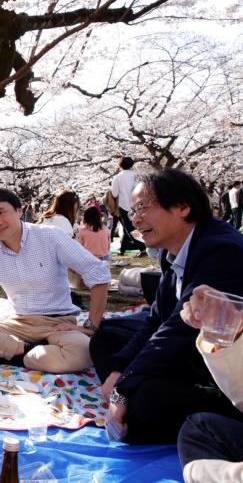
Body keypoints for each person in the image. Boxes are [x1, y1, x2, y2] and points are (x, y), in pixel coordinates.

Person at [92, 168, 243, 445]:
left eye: (143, 208)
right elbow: (156, 319)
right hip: (183, 354)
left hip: (221, 376)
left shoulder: (222, 250)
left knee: (147, 399)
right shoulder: (172, 252)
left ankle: (134, 409)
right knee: (105, 338)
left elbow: (177, 330)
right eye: (133, 210)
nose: (135, 219)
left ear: (183, 206)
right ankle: (128, 397)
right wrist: (121, 371)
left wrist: (125, 387)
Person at [0, 188, 111, 373]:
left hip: (57, 324)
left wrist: (91, 326)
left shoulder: (50, 236)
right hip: (18, 324)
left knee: (83, 352)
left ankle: (9, 352)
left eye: (1, 212)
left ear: (19, 210)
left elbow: (97, 272)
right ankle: (28, 351)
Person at [176, 284, 243, 482]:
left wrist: (200, 473)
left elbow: (169, 335)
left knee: (146, 399)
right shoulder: (173, 264)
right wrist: (233, 335)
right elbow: (156, 321)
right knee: (200, 426)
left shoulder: (217, 256)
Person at [111, 156, 147, 256]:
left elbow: (114, 194)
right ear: (132, 165)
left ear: (120, 165)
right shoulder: (137, 176)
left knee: (129, 229)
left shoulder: (117, 177)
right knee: (134, 227)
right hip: (138, 205)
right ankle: (124, 249)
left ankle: (143, 248)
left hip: (124, 206)